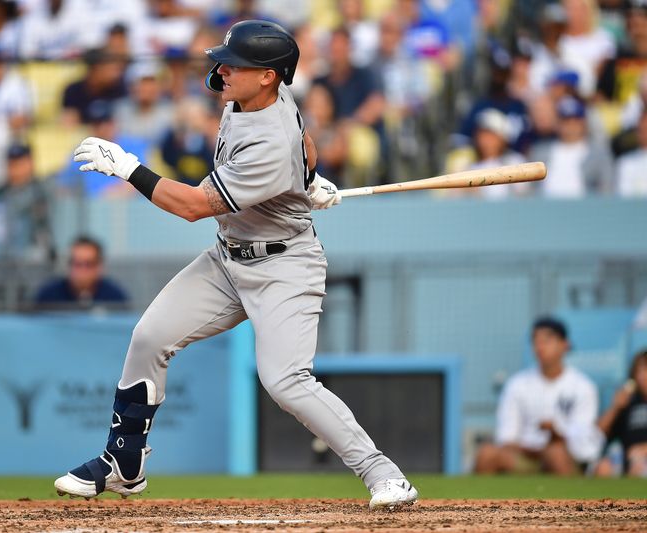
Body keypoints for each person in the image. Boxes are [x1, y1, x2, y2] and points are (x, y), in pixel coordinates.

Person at [54, 20, 418, 510]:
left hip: (284, 267)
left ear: (268, 75)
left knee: (285, 380)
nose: (221, 68)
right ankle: (124, 464)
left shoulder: (268, 137)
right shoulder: (250, 99)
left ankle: (384, 474)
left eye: (235, 63)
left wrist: (128, 168)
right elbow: (306, 143)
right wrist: (306, 178)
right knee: (149, 338)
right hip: (229, 258)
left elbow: (193, 206)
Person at [474, 317, 603, 475]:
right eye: (535, 340)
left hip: (566, 459)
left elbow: (584, 443)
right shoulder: (517, 384)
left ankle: (572, 499)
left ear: (565, 345)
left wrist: (556, 433)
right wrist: (536, 450)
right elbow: (506, 438)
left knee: (556, 453)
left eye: (547, 340)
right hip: (526, 458)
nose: (540, 346)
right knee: (486, 454)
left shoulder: (583, 386)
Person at [596, 350, 647, 478]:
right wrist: (615, 407)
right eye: (638, 371)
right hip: (625, 457)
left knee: (639, 467)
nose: (641, 376)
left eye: (645, 370)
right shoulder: (629, 402)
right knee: (603, 467)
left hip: (641, 459)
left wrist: (644, 449)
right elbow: (598, 432)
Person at [35, 236, 128, 306]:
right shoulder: (47, 297)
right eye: (77, 264)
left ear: (100, 266)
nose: (82, 270)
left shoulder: (115, 298)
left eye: (89, 264)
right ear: (68, 265)